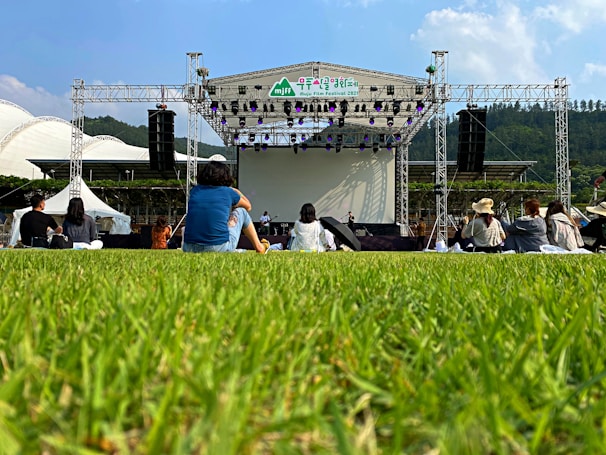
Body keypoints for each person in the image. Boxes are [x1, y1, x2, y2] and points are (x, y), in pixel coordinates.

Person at [182, 161, 269, 253]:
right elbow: (248, 206)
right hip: (216, 247)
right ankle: (259, 247)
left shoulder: (195, 191)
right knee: (241, 211)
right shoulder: (227, 192)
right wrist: (235, 191)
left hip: (189, 247)